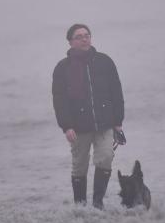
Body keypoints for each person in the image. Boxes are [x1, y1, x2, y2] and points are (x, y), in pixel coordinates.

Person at [52, 23, 124, 209]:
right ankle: (80, 206)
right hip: (78, 126)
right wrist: (66, 126)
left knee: (106, 156)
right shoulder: (62, 68)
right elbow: (59, 101)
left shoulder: (104, 61)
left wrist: (118, 122)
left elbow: (116, 92)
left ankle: (98, 203)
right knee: (79, 166)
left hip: (105, 122)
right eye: (79, 36)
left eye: (87, 35)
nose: (84, 39)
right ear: (70, 42)